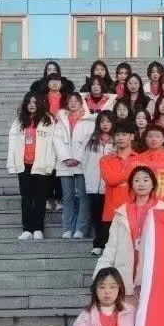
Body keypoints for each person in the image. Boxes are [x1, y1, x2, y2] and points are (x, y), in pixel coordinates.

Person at [94, 166, 164, 299]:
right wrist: (99, 273)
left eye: (145, 180)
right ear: (131, 184)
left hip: (152, 274)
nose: (141, 184)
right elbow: (111, 247)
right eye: (136, 180)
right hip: (126, 274)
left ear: (153, 184)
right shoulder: (121, 212)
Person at [8, 92, 56, 241]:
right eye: (29, 102)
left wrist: (50, 164)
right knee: (26, 198)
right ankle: (27, 228)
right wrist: (12, 164)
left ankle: (38, 228)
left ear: (39, 103)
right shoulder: (19, 121)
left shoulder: (48, 120)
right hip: (24, 165)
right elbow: (12, 144)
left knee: (40, 198)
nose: (32, 105)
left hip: (41, 164)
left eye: (35, 102)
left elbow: (52, 145)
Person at [54, 93, 93, 240]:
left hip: (81, 162)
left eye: (76, 101)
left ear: (81, 103)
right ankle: (67, 228)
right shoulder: (61, 120)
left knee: (83, 196)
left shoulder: (88, 120)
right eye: (70, 101)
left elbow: (88, 141)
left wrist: (77, 158)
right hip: (65, 163)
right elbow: (57, 140)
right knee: (68, 197)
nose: (73, 103)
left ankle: (80, 229)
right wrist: (66, 158)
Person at [83, 111, 116, 256]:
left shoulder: (116, 141)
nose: (105, 124)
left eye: (108, 121)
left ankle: (107, 244)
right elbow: (85, 160)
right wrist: (88, 178)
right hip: (93, 184)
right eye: (102, 121)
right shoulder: (92, 140)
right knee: (96, 215)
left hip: (109, 185)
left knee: (107, 217)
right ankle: (98, 244)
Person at [99, 122, 139, 239]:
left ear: (132, 136)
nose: (120, 138)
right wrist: (132, 170)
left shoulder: (141, 158)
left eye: (124, 134)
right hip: (112, 212)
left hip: (135, 211)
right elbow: (111, 180)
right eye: (117, 135)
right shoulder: (105, 160)